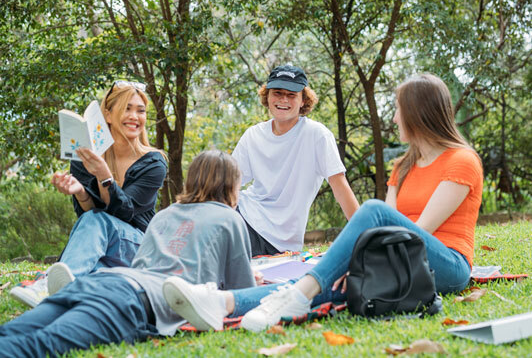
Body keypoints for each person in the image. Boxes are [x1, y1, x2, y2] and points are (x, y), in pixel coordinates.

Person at [162, 73, 484, 332]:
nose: (395, 117)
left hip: (444, 264)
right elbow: (390, 232)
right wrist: (356, 263)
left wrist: (363, 259)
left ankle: (297, 293)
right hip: (399, 260)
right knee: (313, 281)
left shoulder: (462, 161)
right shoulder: (403, 167)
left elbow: (411, 235)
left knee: (370, 214)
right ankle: (222, 303)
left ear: (418, 113)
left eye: (399, 108)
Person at [0, 150, 256, 358]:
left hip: (100, 282)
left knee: (9, 334)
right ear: (232, 186)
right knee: (34, 348)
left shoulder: (165, 214)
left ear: (191, 180)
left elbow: (143, 264)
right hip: (130, 302)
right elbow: (241, 293)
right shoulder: (230, 219)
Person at [10, 80, 168, 308]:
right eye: (127, 109)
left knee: (96, 220)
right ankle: (77, 292)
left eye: (140, 111)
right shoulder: (87, 155)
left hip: (137, 246)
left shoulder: (153, 163)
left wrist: (105, 176)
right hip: (107, 248)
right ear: (109, 115)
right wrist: (81, 193)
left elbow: (124, 214)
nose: (135, 116)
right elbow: (90, 218)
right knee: (95, 263)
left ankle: (46, 286)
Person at [232, 65, 360, 256]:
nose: (283, 99)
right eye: (277, 93)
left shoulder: (317, 135)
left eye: (291, 94)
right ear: (267, 96)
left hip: (278, 239)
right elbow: (228, 184)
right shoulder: (253, 135)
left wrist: (366, 234)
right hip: (244, 216)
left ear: (303, 100)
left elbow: (339, 186)